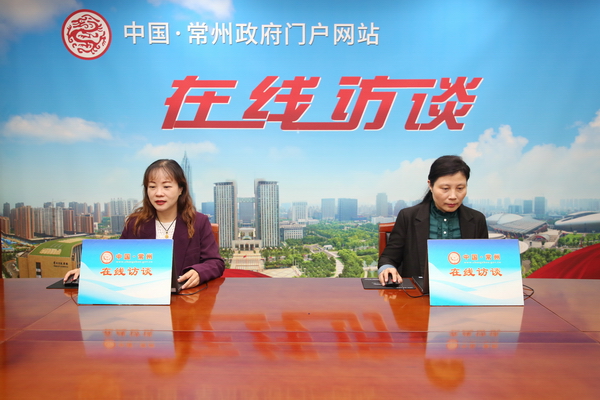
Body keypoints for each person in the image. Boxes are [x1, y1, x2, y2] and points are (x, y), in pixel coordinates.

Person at [64, 159, 224, 289]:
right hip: (143, 299)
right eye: (152, 187)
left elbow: (215, 263)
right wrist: (89, 271)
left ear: (180, 189)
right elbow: (117, 260)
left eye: (167, 186)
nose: (158, 193)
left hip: (186, 302)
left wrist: (198, 272)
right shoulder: (136, 223)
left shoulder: (198, 222)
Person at [378, 155, 488, 286]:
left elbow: (485, 262)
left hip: (465, 291)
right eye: (445, 189)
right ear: (430, 185)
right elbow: (388, 258)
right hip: (419, 294)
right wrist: (387, 268)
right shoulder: (408, 216)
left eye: (460, 188)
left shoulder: (477, 219)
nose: (453, 196)